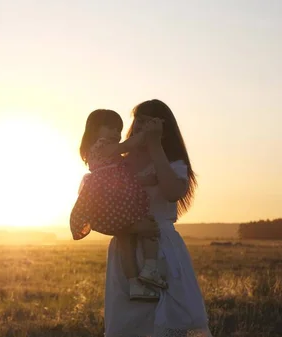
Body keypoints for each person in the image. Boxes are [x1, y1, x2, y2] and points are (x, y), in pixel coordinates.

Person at [100, 99, 212, 337]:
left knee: (171, 317)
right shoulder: (120, 162)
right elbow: (101, 206)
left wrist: (154, 146)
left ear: (164, 128)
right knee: (131, 322)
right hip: (126, 249)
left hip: (162, 248)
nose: (142, 126)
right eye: (138, 120)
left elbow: (172, 192)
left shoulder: (174, 163)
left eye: (150, 121)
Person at [70, 109, 168, 301]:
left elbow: (126, 176)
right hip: (116, 201)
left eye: (118, 129)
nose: (116, 133)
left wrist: (146, 179)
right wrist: (146, 135)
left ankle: (134, 284)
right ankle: (150, 267)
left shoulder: (100, 154)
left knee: (125, 240)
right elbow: (127, 146)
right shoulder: (101, 147)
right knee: (148, 226)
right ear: (95, 129)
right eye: (110, 128)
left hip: (110, 202)